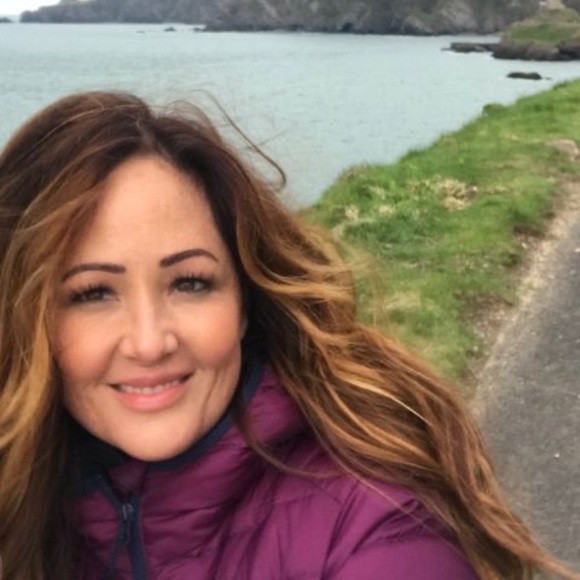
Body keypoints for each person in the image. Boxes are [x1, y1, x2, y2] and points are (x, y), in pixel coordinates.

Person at [0, 91, 574, 580]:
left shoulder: (378, 528)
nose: (149, 343)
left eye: (191, 283)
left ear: (244, 303)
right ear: (24, 320)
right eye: (92, 294)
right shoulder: (26, 498)